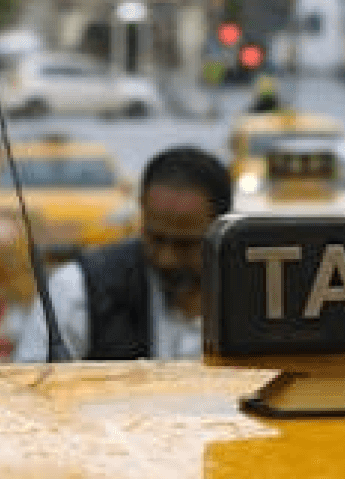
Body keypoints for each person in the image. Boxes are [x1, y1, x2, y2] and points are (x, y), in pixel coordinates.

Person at [14, 145, 232, 362]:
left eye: (185, 244)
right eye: (155, 239)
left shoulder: (258, 297)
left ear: (222, 233)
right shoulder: (77, 290)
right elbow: (32, 387)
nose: (166, 258)